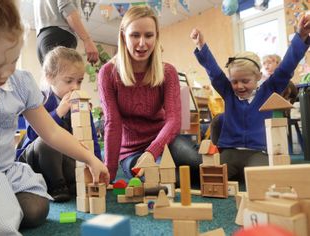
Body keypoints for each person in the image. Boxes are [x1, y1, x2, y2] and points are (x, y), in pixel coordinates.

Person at [0, 1, 109, 235]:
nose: (6, 73)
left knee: (36, 209)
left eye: (14, 61)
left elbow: (52, 132)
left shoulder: (19, 82)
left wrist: (90, 158)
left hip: (5, 170)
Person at [190, 13, 310, 181]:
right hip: (231, 152)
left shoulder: (270, 89)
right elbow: (214, 73)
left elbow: (286, 67)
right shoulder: (228, 92)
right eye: (234, 81)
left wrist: (301, 36)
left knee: (263, 179)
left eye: (245, 81)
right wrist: (201, 46)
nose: (239, 86)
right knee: (211, 178)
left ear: (258, 77)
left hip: (258, 152)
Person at [98, 6, 201, 186]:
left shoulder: (168, 72)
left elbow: (174, 121)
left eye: (148, 35)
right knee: (164, 181)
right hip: (131, 151)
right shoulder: (108, 73)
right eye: (135, 35)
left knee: (200, 166)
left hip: (165, 140)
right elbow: (112, 124)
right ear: (123, 36)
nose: (142, 43)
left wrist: (152, 151)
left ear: (156, 36)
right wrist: (110, 172)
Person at [16, 46, 102, 202]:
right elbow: (33, 135)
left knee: (80, 149)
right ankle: (57, 185)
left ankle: (72, 181)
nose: (75, 87)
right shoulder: (39, 100)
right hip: (36, 159)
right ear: (50, 77)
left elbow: (91, 138)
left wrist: (97, 164)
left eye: (79, 81)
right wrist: (59, 112)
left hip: (64, 160)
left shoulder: (81, 104)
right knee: (47, 142)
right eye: (69, 81)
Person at [34, 0, 99, 65]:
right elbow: (66, 7)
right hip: (59, 36)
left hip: (42, 39)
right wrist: (87, 40)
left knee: (53, 73)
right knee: (65, 74)